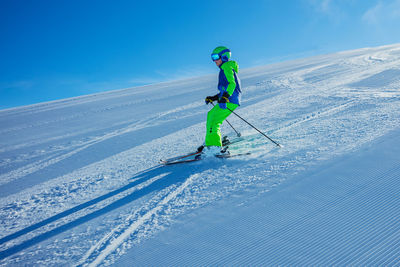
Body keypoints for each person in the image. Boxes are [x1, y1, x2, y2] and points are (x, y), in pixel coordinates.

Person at [198, 46, 241, 156]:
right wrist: (214, 97)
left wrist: (225, 97)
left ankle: (215, 147)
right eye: (212, 58)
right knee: (211, 115)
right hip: (226, 99)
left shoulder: (226, 66)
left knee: (214, 121)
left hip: (230, 100)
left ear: (224, 57)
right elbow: (224, 89)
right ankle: (210, 142)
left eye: (216, 57)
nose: (214, 60)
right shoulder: (224, 68)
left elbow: (232, 84)